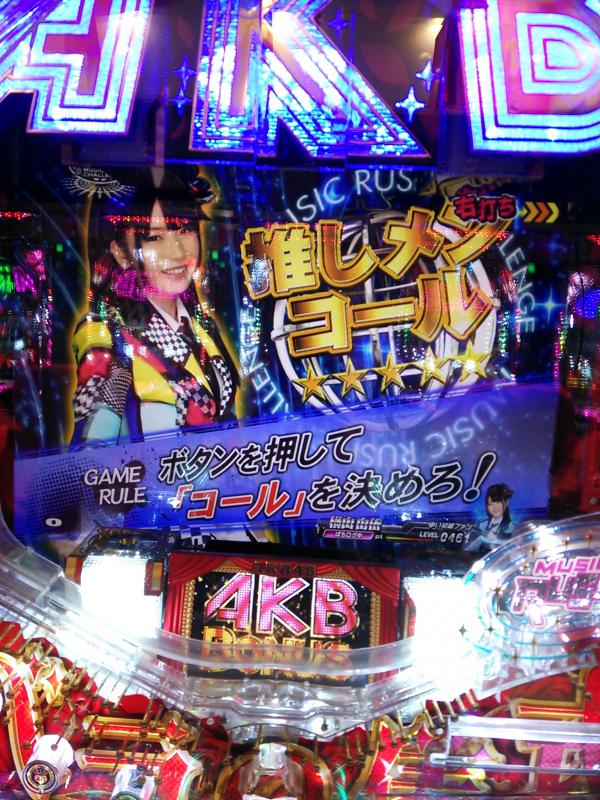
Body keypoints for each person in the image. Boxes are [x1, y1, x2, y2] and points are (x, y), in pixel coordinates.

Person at [70, 170, 238, 444]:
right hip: (154, 470)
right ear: (120, 252)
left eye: (184, 230)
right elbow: (95, 435)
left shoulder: (200, 324)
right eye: (154, 237)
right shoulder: (106, 331)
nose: (178, 253)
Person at [466, 483, 514, 553]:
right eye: (490, 504)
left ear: (506, 503)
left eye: (498, 502)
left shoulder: (512, 528)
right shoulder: (481, 525)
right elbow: (468, 549)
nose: (495, 507)